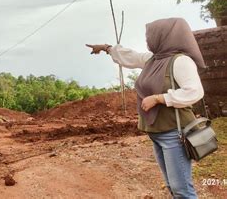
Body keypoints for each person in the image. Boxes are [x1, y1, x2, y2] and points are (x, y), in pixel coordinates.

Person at [86, 17, 205, 199]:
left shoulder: (181, 62)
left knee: (182, 190)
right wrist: (106, 48)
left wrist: (159, 98)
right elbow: (131, 56)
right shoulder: (154, 59)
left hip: (175, 133)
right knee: (173, 187)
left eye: (151, 35)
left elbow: (194, 92)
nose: (148, 40)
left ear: (164, 36)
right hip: (156, 133)